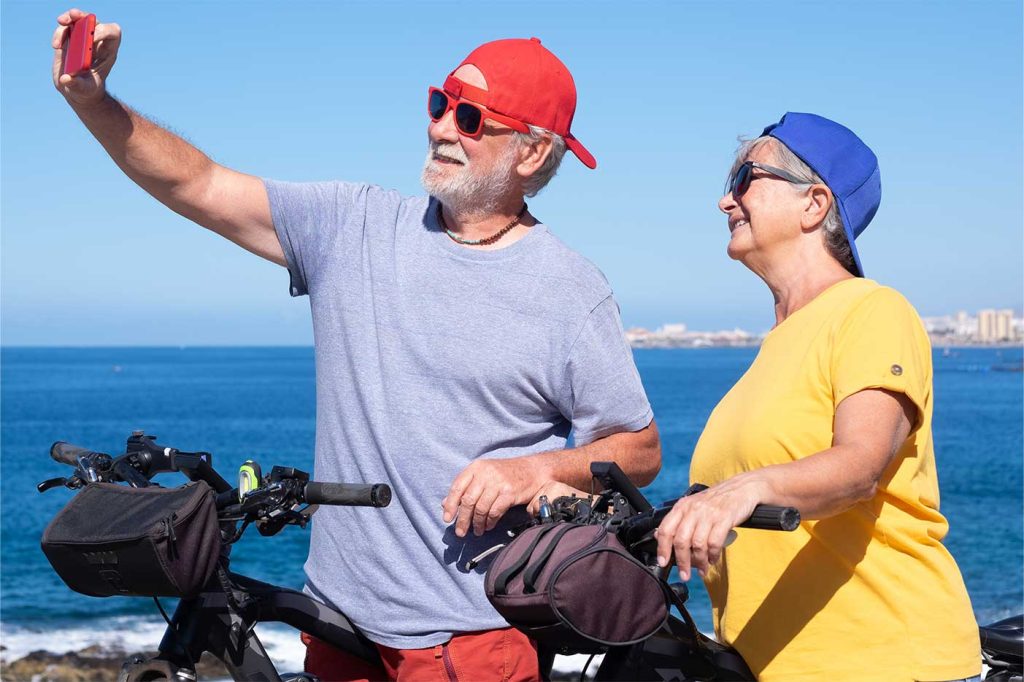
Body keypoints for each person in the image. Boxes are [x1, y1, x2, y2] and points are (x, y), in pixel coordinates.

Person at [51, 10, 661, 681]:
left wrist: (533, 472)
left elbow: (637, 449)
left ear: (533, 152)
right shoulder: (354, 227)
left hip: (471, 640)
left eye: (470, 118)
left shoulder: (569, 290)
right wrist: (92, 100)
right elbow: (197, 184)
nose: (439, 128)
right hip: (338, 624)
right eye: (441, 103)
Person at [654, 113, 981, 682]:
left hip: (887, 661)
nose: (725, 202)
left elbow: (860, 467)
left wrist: (743, 489)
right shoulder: (777, 347)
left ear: (814, 203)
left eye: (744, 179)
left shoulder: (871, 310)